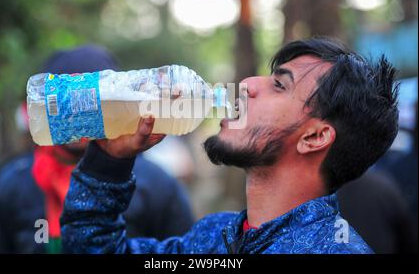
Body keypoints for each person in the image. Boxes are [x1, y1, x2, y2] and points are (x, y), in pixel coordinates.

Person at [61, 38, 399, 254]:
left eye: (279, 85)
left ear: (315, 137)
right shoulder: (213, 238)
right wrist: (107, 162)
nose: (249, 84)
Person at [0, 45, 194, 253]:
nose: (78, 114)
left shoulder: (155, 183)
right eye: (66, 102)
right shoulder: (12, 181)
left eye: (92, 103)